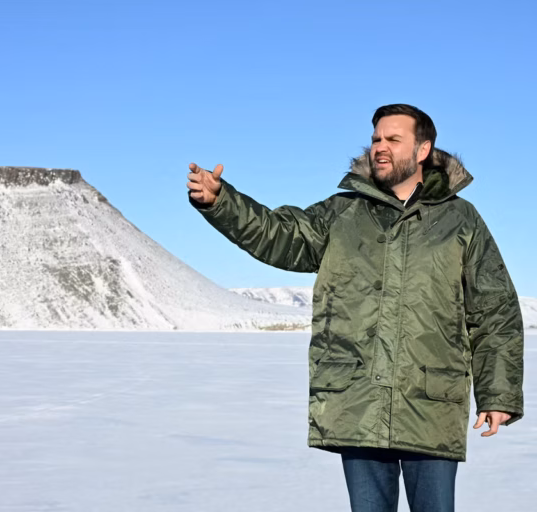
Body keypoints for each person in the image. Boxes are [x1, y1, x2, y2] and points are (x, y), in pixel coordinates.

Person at [187, 104, 524, 512]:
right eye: (376, 139)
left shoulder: (460, 220)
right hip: (358, 400)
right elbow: (280, 236)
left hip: (431, 401)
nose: (380, 147)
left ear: (422, 150)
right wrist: (222, 202)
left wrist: (498, 394)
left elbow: (494, 310)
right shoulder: (343, 211)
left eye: (393, 139)